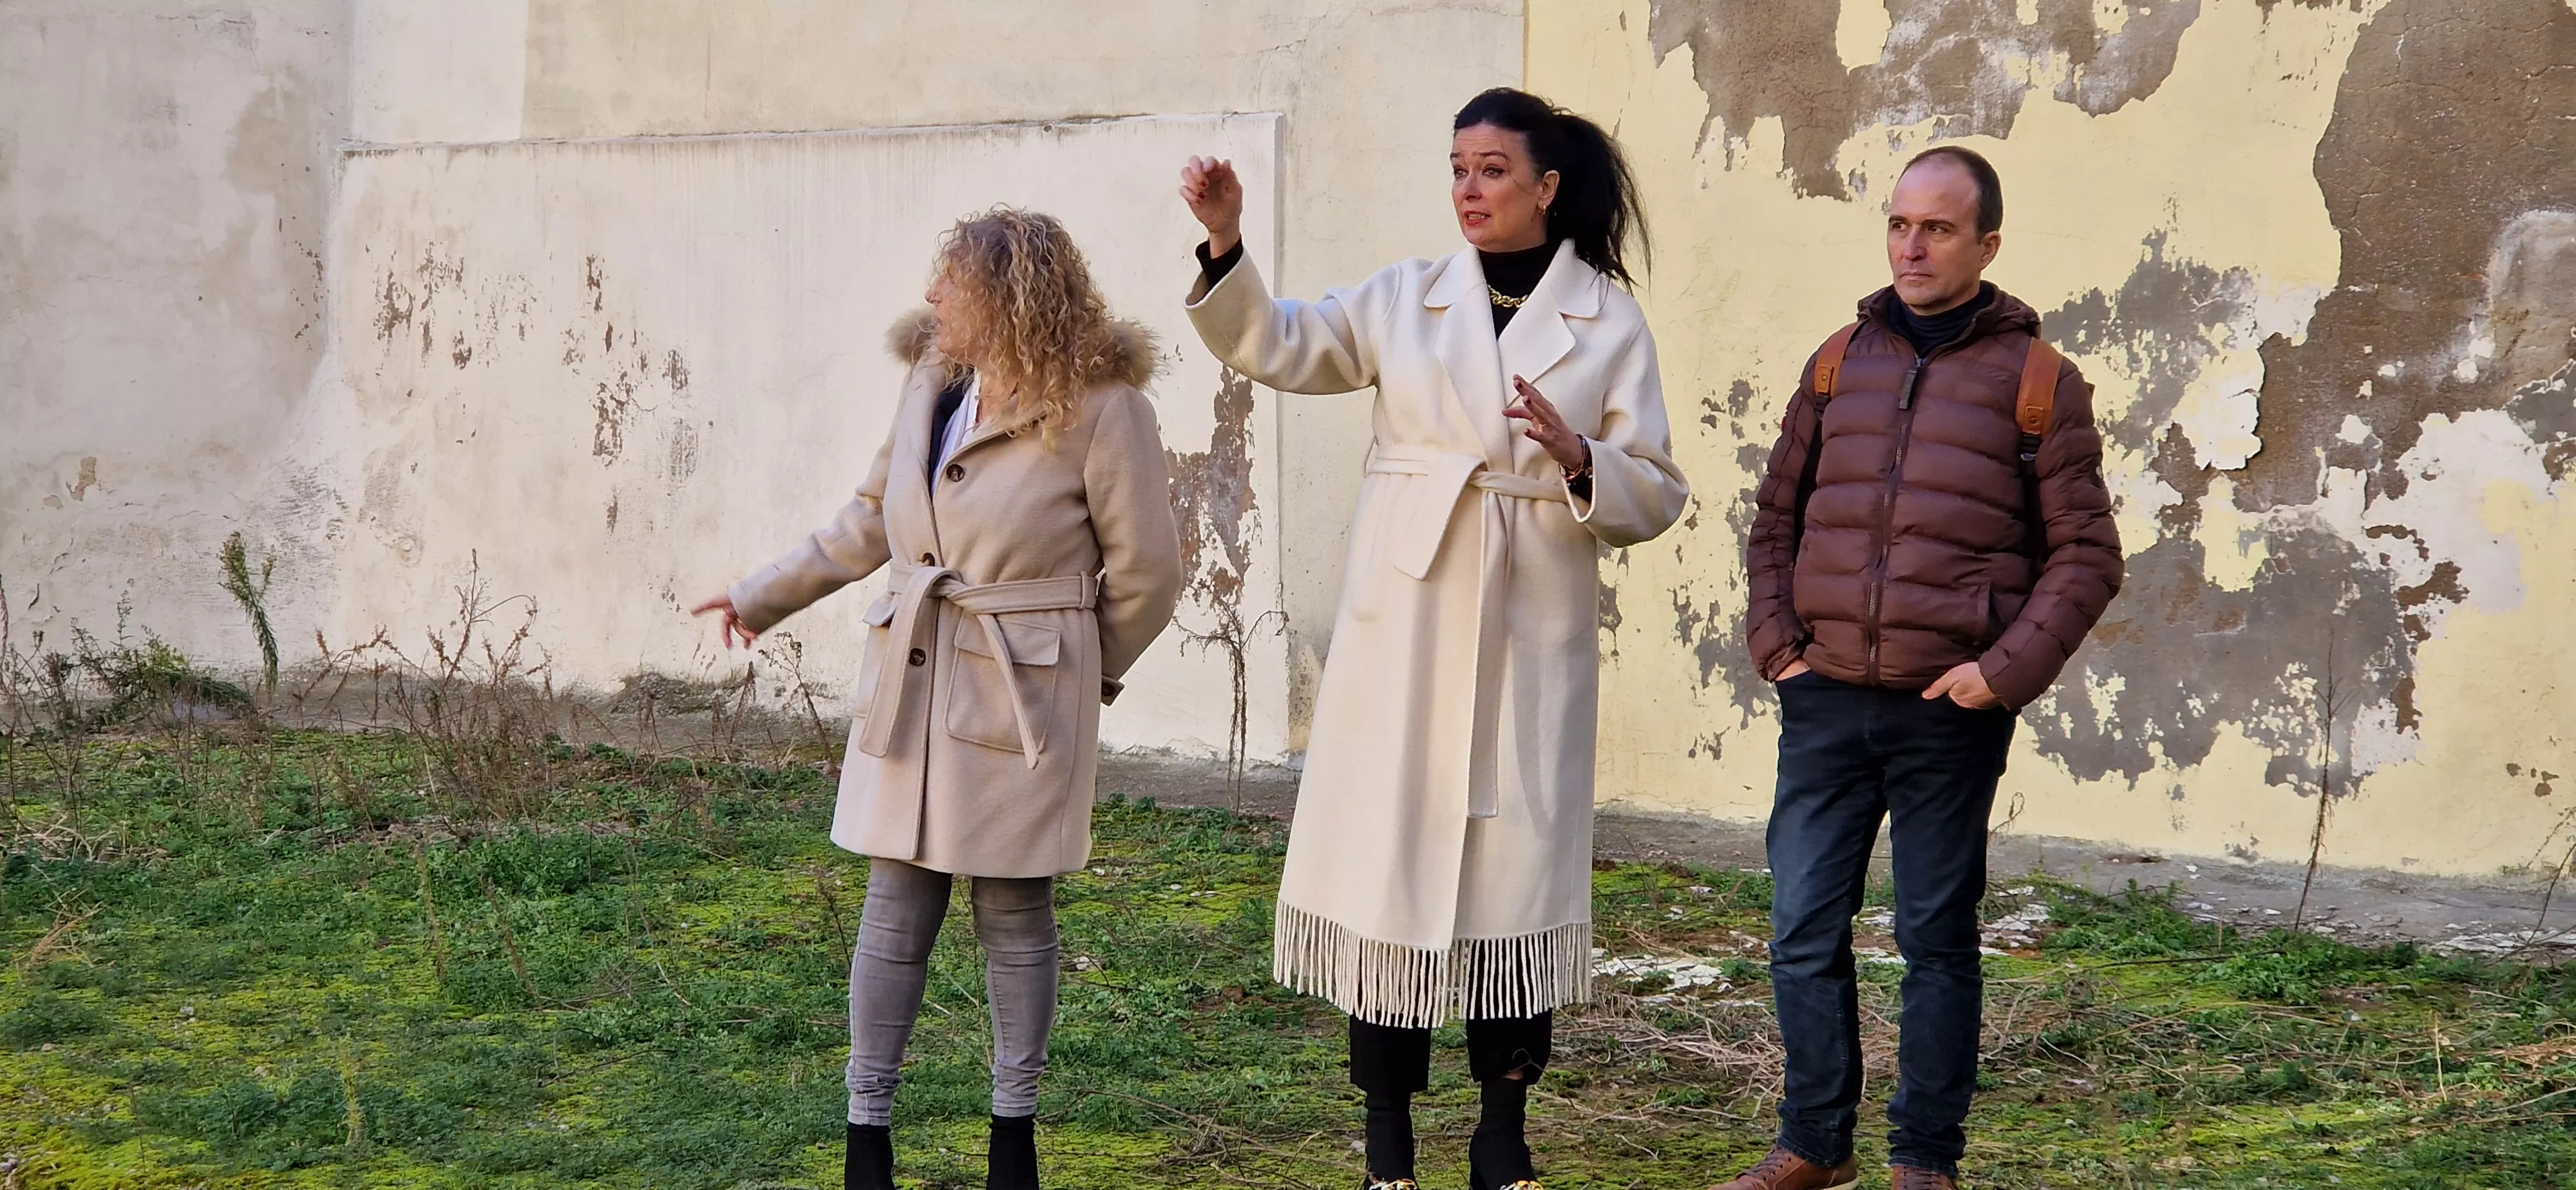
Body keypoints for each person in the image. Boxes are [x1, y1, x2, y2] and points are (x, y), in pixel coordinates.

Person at [1178, 88, 1689, 1190]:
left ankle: (1502, 1133)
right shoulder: (1406, 297)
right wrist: (1225, 242)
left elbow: (1656, 493)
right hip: (1403, 622)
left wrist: (1580, 458)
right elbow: (1280, 342)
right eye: (1457, 167)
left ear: (1546, 188)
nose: (1468, 188)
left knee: (1517, 874)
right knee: (1387, 869)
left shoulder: (1608, 317)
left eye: (1493, 169)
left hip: (1531, 617)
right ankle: (1386, 1141)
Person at [691, 208, 1183, 1190]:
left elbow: (1148, 575)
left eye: (950, 282)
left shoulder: (1102, 404)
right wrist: (760, 595)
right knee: (893, 907)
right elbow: (871, 517)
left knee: (1013, 910)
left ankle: (1015, 1138)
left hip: (1020, 694)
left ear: (1007, 295)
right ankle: (865, 1139)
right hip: (913, 676)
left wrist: (1081, 673)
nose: (931, 298)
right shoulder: (931, 380)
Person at [1720, 147, 2123, 1190]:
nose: (1911, 245)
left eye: (1938, 229)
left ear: (1987, 244)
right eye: (1899, 224)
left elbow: (2086, 555)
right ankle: (1814, 1147)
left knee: (1935, 941)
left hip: (1950, 712)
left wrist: (2002, 674)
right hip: (1823, 706)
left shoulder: (2040, 381)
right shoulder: (1836, 362)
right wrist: (1779, 648)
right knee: (1802, 930)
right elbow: (1776, 520)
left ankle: (1924, 1163)